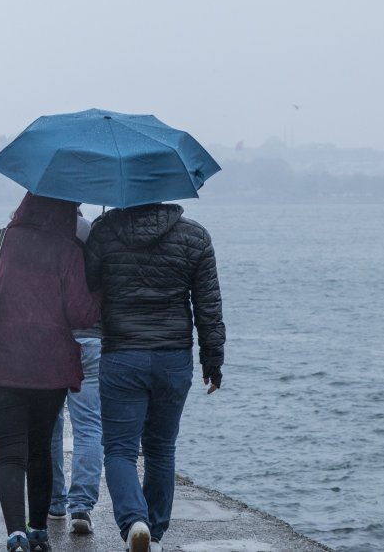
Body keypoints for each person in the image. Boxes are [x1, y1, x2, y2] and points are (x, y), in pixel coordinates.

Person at [0, 193, 100, 552]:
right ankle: (38, 531)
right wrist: (98, 287)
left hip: (0, 366)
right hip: (50, 370)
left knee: (9, 454)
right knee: (40, 450)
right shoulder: (68, 250)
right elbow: (82, 314)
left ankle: (15, 534)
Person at [85, 203, 226, 552]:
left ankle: (135, 521)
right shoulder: (196, 237)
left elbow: (87, 285)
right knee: (162, 449)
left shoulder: (105, 231)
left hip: (122, 354)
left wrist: (103, 233)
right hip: (173, 356)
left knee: (119, 449)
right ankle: (156, 534)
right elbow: (208, 306)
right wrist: (213, 359)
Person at [48, 209, 104, 534]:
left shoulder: (41, 236)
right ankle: (81, 507)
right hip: (92, 339)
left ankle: (55, 503)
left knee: (50, 426)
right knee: (88, 427)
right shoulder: (95, 235)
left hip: (52, 341)